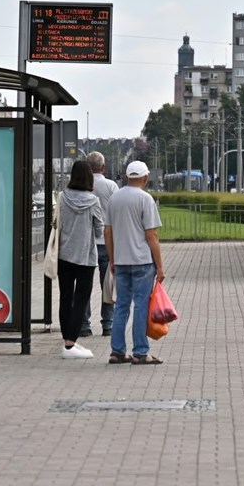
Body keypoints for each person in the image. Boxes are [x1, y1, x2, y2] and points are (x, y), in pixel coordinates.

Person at [104, 160, 165, 365]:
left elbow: (108, 232)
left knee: (121, 306)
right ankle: (140, 352)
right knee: (141, 306)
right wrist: (160, 265)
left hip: (121, 261)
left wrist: (113, 259)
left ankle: (117, 351)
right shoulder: (145, 199)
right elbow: (152, 235)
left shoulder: (114, 198)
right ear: (145, 178)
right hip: (142, 261)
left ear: (126, 177)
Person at [57, 160, 104, 360]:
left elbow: (57, 222)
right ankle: (71, 343)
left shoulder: (62, 197)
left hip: (64, 255)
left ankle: (67, 340)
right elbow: (99, 228)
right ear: (89, 178)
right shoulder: (93, 201)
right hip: (85, 257)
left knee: (65, 297)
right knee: (81, 300)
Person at [81, 151, 119, 338]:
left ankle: (84, 325)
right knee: (108, 285)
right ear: (103, 168)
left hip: (86, 243)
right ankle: (108, 325)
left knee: (84, 284)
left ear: (87, 168)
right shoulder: (111, 186)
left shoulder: (83, 186)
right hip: (107, 242)